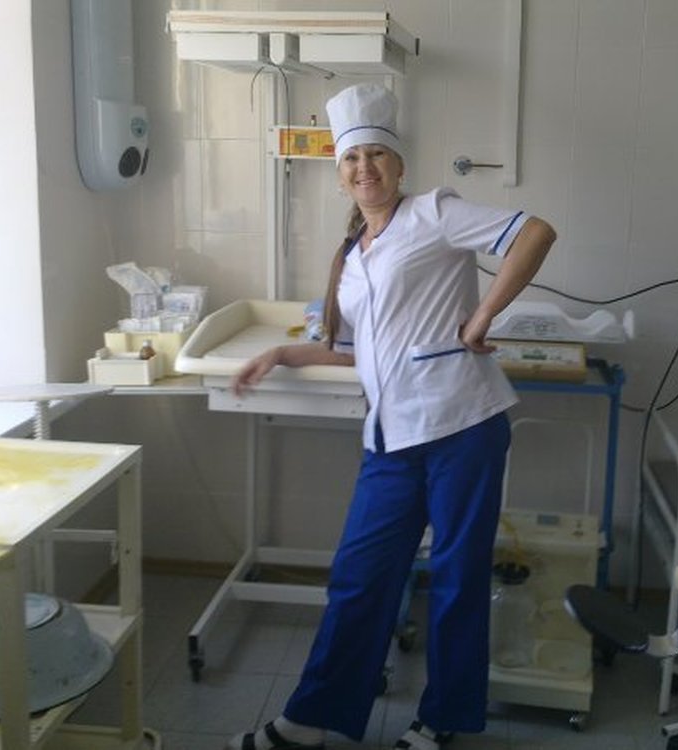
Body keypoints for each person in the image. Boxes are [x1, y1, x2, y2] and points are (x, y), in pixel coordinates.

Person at [228, 83, 556, 750]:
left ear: (399, 164)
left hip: (462, 424)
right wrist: (281, 354)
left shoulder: (434, 214)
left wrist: (483, 314)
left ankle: (443, 718)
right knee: (359, 576)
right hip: (392, 436)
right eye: (352, 159)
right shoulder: (351, 259)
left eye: (377, 155)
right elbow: (354, 349)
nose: (364, 168)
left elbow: (534, 233)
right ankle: (312, 718)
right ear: (339, 173)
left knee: (457, 578)